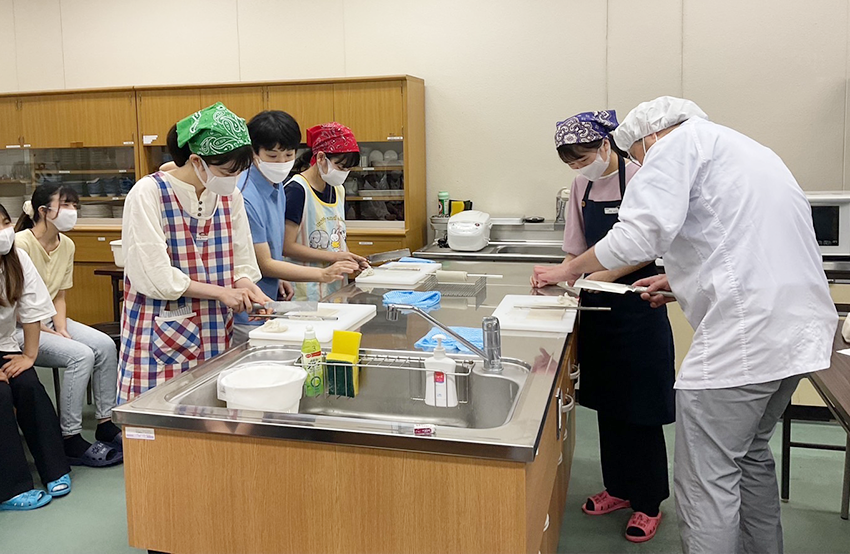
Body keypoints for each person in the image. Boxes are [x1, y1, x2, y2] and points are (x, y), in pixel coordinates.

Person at [533, 96, 837, 554]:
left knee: (706, 480)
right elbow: (741, 240)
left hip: (746, 340)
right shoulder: (747, 149)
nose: (641, 164)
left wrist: (566, 272)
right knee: (751, 456)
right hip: (798, 334)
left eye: (637, 154)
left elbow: (639, 235)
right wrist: (678, 280)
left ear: (648, 137)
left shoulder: (674, 148)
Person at [532, 111, 675, 542]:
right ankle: (617, 488)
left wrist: (605, 276)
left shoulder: (642, 175)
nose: (579, 168)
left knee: (641, 409)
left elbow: (649, 243)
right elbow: (576, 249)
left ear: (605, 146)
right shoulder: (583, 186)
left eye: (583, 159)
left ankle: (648, 502)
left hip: (640, 305)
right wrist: (557, 278)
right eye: (571, 163)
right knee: (610, 404)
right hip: (597, 311)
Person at [118, 102, 270, 403]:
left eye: (240, 172)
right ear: (197, 161)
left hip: (215, 330)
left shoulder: (229, 197)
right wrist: (221, 293)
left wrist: (250, 290)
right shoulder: (149, 193)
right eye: (227, 171)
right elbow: (154, 276)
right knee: (157, 423)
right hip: (160, 336)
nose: (234, 179)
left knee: (206, 421)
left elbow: (241, 261)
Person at [15, 184, 122, 467]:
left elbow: (60, 295)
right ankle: (70, 437)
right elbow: (15, 304)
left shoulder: (68, 244)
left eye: (75, 205)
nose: (72, 211)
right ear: (43, 211)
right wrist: (45, 328)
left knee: (104, 345)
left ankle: (106, 422)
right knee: (81, 354)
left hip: (49, 319)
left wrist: (60, 328)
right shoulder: (21, 244)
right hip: (20, 326)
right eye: (65, 205)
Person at [233, 111, 359, 344]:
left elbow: (270, 249)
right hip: (248, 309)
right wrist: (323, 273)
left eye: (288, 154)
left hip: (270, 300)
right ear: (253, 152)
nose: (281, 163)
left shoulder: (276, 185)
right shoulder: (245, 195)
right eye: (272, 155)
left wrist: (278, 278)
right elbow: (264, 263)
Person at [0, 203, 72, 510]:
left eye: (4, 223)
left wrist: (29, 356)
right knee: (1, 396)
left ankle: (56, 469)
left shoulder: (16, 256)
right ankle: (10, 489)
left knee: (29, 386)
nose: (3, 232)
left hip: (5, 346)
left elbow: (31, 310)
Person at [284, 123, 368, 301]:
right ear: (321, 158)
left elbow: (337, 236)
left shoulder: (338, 189)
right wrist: (335, 256)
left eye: (348, 169)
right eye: (340, 166)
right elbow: (287, 246)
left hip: (335, 287)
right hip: (305, 290)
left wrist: (349, 258)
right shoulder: (297, 190)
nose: (344, 173)